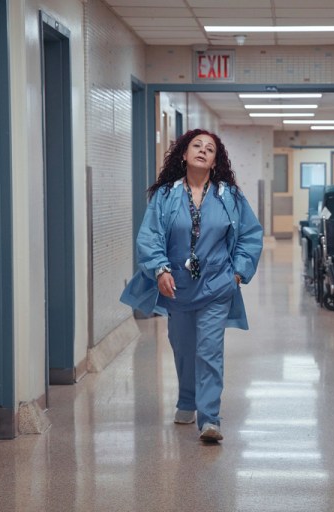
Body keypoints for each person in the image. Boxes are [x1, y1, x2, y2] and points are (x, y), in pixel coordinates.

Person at [121, 128, 263, 443]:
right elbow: (150, 236)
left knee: (209, 350)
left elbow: (251, 236)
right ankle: (187, 399)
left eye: (209, 148)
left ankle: (210, 418)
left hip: (217, 285)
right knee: (183, 348)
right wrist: (159, 270)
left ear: (215, 161)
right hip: (178, 286)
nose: (202, 150)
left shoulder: (230, 196)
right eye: (195, 146)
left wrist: (237, 274)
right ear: (184, 155)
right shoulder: (166, 195)